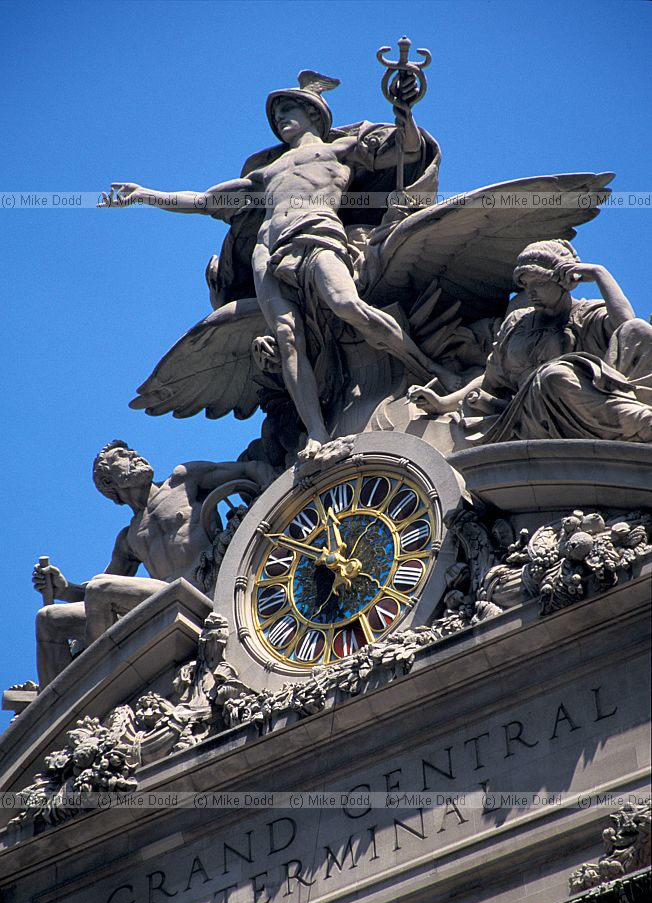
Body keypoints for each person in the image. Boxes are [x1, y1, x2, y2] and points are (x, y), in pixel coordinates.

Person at [100, 75, 453, 459]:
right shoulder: (265, 173)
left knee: (347, 305)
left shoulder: (341, 149)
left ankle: (431, 369)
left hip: (316, 231)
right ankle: (317, 432)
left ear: (313, 115)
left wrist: (404, 112)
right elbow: (203, 201)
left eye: (288, 110)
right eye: (277, 114)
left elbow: (405, 150)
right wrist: (146, 196)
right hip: (267, 252)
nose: (281, 119)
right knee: (287, 338)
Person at [33, 441, 275, 686]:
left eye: (130, 450)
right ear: (109, 482)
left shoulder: (182, 480)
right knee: (48, 619)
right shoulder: (129, 538)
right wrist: (65, 589)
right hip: (170, 602)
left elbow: (249, 469)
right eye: (121, 455)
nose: (133, 454)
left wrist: (277, 503)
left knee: (99, 588)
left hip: (209, 586)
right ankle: (59, 707)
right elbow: (97, 596)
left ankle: (101, 684)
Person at [407, 239, 652, 444]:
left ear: (565, 282)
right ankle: (638, 422)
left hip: (587, 405)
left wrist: (599, 273)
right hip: (531, 417)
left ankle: (635, 419)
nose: (531, 292)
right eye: (526, 285)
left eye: (540, 283)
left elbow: (627, 328)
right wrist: (443, 403)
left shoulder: (587, 316)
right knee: (553, 375)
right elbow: (490, 380)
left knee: (639, 329)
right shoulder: (517, 323)